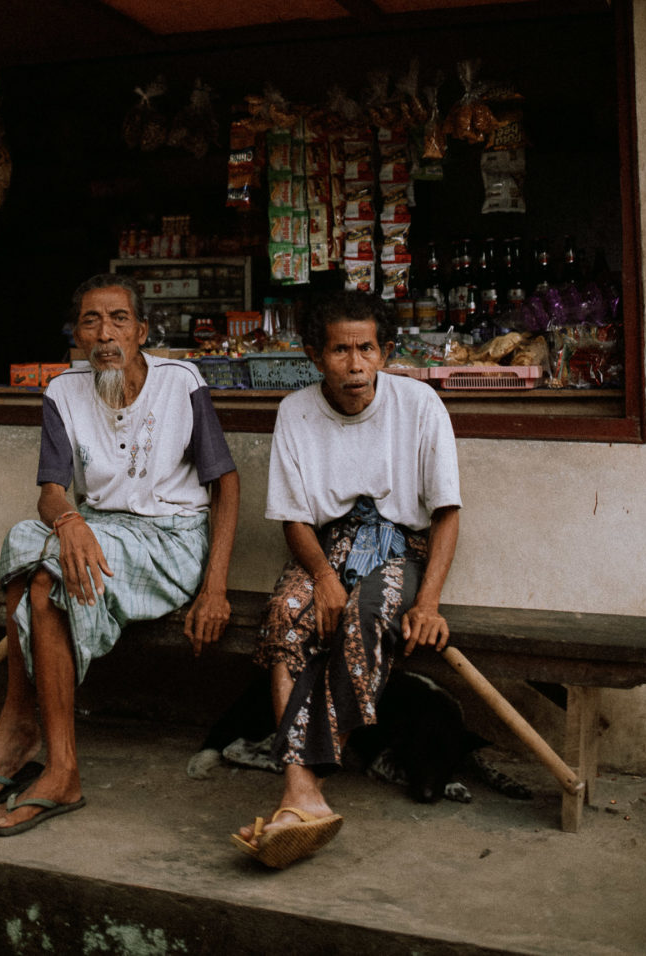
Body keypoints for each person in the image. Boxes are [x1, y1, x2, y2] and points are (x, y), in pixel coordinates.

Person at [0, 273, 240, 835]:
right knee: (26, 540)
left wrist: (215, 585)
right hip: (98, 528)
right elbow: (52, 492)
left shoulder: (181, 381)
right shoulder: (62, 391)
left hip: (170, 538)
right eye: (91, 321)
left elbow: (226, 484)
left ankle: (56, 762)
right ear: (75, 335)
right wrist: (71, 519)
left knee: (48, 581)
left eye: (119, 319)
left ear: (142, 330)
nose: (105, 334)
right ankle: (20, 728)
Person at [232, 289, 461, 869]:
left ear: (385, 352)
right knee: (286, 614)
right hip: (325, 546)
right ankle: (301, 789)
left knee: (365, 618)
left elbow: (446, 513)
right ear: (314, 354)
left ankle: (299, 787)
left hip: (398, 546)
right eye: (340, 350)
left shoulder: (420, 404)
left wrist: (429, 600)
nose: (355, 365)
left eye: (367, 349)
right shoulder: (296, 411)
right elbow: (295, 518)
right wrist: (322, 577)